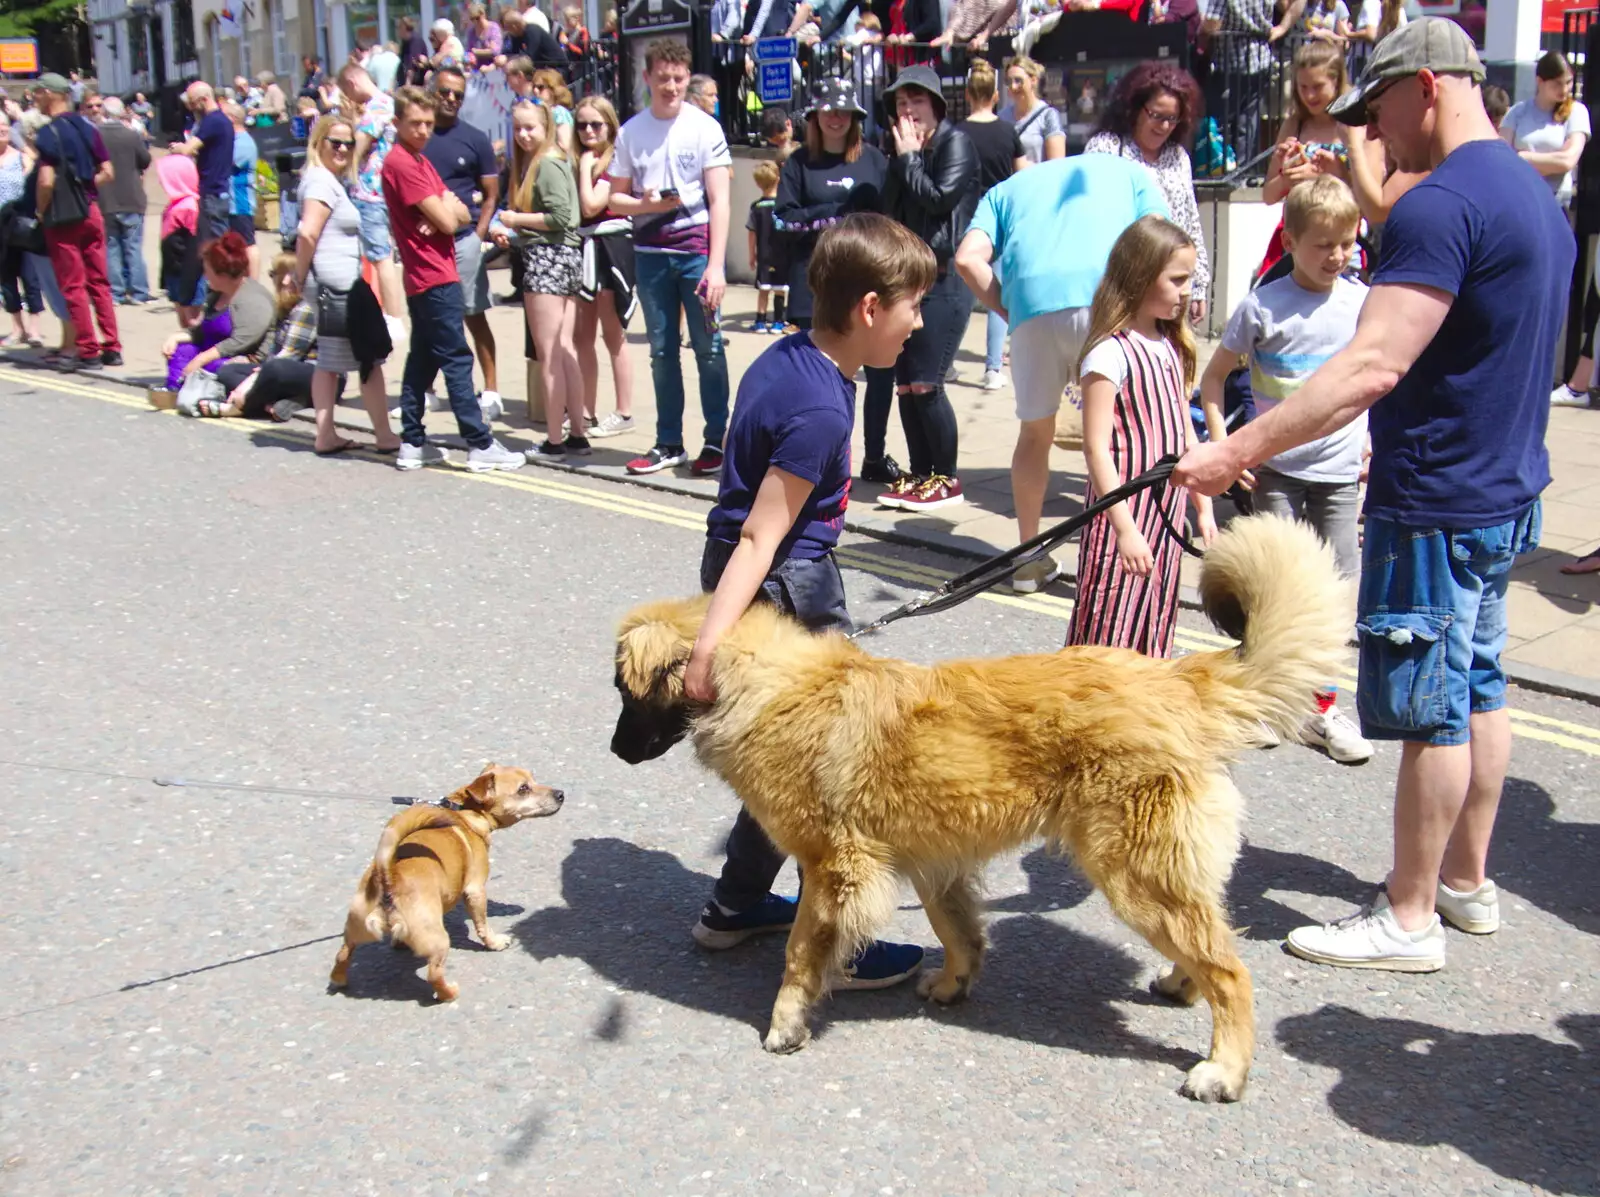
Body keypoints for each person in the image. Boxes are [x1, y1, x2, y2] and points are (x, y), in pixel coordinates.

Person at [1174, 20, 1570, 971]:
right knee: (1479, 685)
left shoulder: (1440, 207)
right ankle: (1465, 884)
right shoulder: (1531, 193)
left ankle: (1408, 913)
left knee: (1430, 707)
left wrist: (1238, 452)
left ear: (1425, 86)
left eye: (1380, 107)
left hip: (1437, 495)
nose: (1373, 132)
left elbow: (1368, 367)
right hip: (1507, 485)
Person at [685, 212, 936, 994]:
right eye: (913, 306)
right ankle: (847, 945)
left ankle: (734, 905)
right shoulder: (825, 409)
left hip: (745, 569)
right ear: (869, 309)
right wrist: (705, 648)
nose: (919, 323)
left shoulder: (791, 355)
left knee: (779, 765)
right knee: (839, 770)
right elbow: (765, 536)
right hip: (785, 582)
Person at [1198, 176, 1373, 763]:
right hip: (1276, 470)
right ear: (1290, 241)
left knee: (1339, 596)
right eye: (1323, 244)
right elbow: (1213, 380)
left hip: (1340, 473)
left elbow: (1377, 381)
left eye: (1346, 242)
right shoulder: (1262, 306)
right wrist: (1229, 448)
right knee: (1271, 592)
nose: (1337, 255)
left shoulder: (1361, 303)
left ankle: (1322, 708)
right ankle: (1266, 701)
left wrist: (1372, 439)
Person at [956, 154, 1167, 591]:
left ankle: (1028, 561)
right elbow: (1160, 245)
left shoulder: (1005, 190)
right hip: (1107, 297)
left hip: (1032, 302)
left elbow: (967, 260)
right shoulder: (1129, 172)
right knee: (1118, 435)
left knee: (1035, 435)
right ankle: (1121, 553)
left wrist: (1010, 307)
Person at [1066, 215, 1214, 655]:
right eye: (1178, 279)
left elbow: (1185, 432)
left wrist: (1204, 508)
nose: (1187, 291)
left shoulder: (1170, 345)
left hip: (1166, 514)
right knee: (1109, 625)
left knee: (1154, 618)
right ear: (1141, 276)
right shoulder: (1109, 352)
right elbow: (1096, 448)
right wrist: (1124, 530)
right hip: (1124, 516)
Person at [382, 86, 527, 472]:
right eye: (415, 123)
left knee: (423, 360)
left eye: (428, 123)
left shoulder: (417, 159)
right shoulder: (404, 164)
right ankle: (479, 443)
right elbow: (451, 217)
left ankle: (412, 441)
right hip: (432, 274)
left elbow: (462, 208)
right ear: (397, 123)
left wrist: (451, 212)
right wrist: (447, 213)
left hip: (428, 274)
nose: (424, 130)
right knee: (457, 359)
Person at [608, 38, 732, 477]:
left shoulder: (704, 128)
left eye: (678, 78)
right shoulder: (631, 131)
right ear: (647, 78)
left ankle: (717, 439)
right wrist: (648, 205)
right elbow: (614, 199)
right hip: (650, 256)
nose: (671, 86)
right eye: (662, 78)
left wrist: (717, 266)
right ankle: (668, 441)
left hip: (696, 256)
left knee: (709, 349)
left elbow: (721, 200)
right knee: (661, 352)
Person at [773, 77, 897, 484]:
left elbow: (890, 219)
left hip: (870, 281)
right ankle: (821, 458)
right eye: (828, 110)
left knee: (879, 371)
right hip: (817, 285)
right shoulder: (798, 164)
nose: (836, 118)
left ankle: (874, 456)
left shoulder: (874, 160)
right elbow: (783, 219)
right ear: (814, 116)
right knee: (822, 374)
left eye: (844, 111)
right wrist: (839, 212)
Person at [878, 64, 978, 513]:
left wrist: (908, 160)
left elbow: (938, 199)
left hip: (946, 278)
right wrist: (901, 160)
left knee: (927, 383)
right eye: (901, 103)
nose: (908, 110)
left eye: (916, 101)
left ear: (936, 106)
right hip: (910, 276)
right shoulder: (903, 150)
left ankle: (946, 479)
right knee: (905, 384)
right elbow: (892, 211)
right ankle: (922, 476)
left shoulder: (955, 143)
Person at [292, 115, 403, 455]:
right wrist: (299, 275)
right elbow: (307, 232)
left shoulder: (326, 180)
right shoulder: (321, 183)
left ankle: (326, 434)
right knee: (369, 358)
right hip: (335, 287)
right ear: (318, 143)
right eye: (334, 142)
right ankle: (383, 435)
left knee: (329, 363)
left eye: (348, 143)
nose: (342, 149)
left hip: (335, 284)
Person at [1084, 60, 1210, 324]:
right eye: (1156, 115)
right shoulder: (1107, 147)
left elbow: (1190, 220)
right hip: (1122, 281)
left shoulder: (1178, 156)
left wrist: (1197, 283)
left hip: (1170, 283)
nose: (1164, 126)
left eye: (1171, 119)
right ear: (1135, 109)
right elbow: (1092, 215)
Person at [1502, 53, 1594, 409]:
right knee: (1519, 291)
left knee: (1551, 292)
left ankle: (1541, 374)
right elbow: (1500, 153)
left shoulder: (1576, 113)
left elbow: (1568, 160)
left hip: (1556, 208)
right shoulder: (1518, 113)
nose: (1566, 90)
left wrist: (1524, 158)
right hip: (1521, 207)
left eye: (1569, 83)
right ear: (1540, 81)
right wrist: (1531, 160)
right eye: (1559, 84)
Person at [500, 101, 585, 457]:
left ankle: (554, 439)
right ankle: (577, 434)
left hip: (547, 260)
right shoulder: (554, 159)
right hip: (564, 258)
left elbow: (561, 217)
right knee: (564, 351)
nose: (523, 135)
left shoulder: (547, 163)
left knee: (550, 354)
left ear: (545, 126)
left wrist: (515, 220)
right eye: (518, 129)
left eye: (530, 128)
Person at [422, 66, 504, 421]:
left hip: (463, 239)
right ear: (431, 92)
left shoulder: (475, 139)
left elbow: (491, 194)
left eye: (458, 94)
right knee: (429, 317)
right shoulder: (417, 137)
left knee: (473, 314)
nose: (452, 99)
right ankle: (426, 389)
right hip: (425, 246)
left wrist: (478, 235)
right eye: (445, 92)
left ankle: (491, 390)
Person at [31, 72, 121, 371]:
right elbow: (108, 171)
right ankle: (112, 346)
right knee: (100, 281)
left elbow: (45, 181)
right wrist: (84, 188)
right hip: (91, 209)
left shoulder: (47, 134)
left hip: (63, 216)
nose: (35, 99)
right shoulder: (87, 127)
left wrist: (42, 211)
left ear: (51, 94)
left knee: (73, 285)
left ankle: (88, 350)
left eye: (38, 93)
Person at [956, 59, 1025, 392]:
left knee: (960, 292)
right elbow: (1022, 177)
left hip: (966, 214)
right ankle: (993, 368)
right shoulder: (1008, 131)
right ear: (995, 95)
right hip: (1000, 215)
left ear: (968, 94)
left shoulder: (956, 132)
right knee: (996, 289)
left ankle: (945, 362)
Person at [573, 95, 636, 439]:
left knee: (613, 334)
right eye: (581, 124)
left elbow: (592, 203)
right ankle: (586, 411)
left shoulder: (615, 162)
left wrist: (584, 169)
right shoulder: (579, 157)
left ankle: (625, 411)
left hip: (611, 246)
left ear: (610, 126)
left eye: (595, 124)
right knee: (583, 335)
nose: (588, 131)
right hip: (585, 247)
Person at [165, 231, 276, 400]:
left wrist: (201, 359)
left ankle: (199, 394)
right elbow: (202, 331)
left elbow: (240, 342)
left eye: (207, 271)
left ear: (223, 275)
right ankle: (176, 392)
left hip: (242, 361)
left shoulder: (254, 300)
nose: (205, 275)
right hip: (212, 353)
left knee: (219, 369)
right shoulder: (217, 294)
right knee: (180, 351)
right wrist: (177, 337)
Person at [209, 254, 321, 419]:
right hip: (284, 372)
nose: (273, 280)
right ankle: (290, 401)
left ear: (286, 278)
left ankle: (241, 406)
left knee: (274, 370)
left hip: (318, 375)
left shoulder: (306, 308)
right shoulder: (286, 307)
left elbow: (289, 355)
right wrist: (251, 362)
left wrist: (251, 382)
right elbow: (273, 351)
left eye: (273, 274)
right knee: (228, 371)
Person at [340, 64, 407, 324]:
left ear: (353, 83)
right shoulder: (387, 104)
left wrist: (346, 171)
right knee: (382, 255)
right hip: (382, 191)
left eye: (347, 91)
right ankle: (389, 314)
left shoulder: (376, 107)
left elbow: (358, 145)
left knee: (381, 258)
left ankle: (392, 316)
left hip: (370, 191)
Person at [94, 96, 152, 306]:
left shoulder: (95, 135)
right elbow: (145, 160)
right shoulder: (131, 135)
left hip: (106, 198)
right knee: (133, 246)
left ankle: (116, 293)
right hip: (131, 196)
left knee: (111, 247)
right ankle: (138, 292)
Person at [0, 108, 44, 346]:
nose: (2, 131)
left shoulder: (22, 157)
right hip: (0, 227)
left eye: (5, 127)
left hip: (22, 223)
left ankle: (35, 329)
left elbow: (35, 180)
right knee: (7, 278)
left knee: (30, 277)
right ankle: (17, 328)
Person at [178, 82, 234, 246]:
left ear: (204, 99)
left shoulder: (212, 121)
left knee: (216, 244)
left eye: (193, 103)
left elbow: (188, 149)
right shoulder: (220, 119)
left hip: (213, 189)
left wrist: (178, 148)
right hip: (218, 187)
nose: (191, 108)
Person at [157, 154, 203, 325]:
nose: (161, 182)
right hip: (174, 273)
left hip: (188, 275)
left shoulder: (190, 207)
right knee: (183, 321)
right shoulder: (174, 205)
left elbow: (194, 248)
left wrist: (188, 283)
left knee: (193, 321)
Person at [746, 161, 789, 333]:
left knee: (764, 289)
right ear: (778, 179)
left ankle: (760, 321)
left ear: (757, 183)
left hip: (763, 254)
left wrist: (752, 254)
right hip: (783, 253)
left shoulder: (756, 207)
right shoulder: (784, 206)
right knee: (780, 289)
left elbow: (751, 232)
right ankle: (778, 321)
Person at [999, 56, 1064, 163]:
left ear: (1033, 80)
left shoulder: (1048, 116)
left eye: (1018, 80)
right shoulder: (1002, 117)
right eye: (1009, 81)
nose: (1013, 86)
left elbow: (1057, 165)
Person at [222, 101, 260, 278]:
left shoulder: (244, 142)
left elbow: (223, 163)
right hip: (230, 202)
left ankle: (253, 282)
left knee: (248, 244)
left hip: (240, 202)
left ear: (232, 118)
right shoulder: (232, 140)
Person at [532, 69, 576, 156]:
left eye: (540, 87)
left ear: (553, 89)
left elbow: (565, 145)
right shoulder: (541, 111)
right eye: (534, 87)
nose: (535, 91)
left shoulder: (559, 112)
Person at [465, 3, 505, 69]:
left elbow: (495, 51)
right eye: (472, 19)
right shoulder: (471, 32)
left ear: (483, 14)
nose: (475, 22)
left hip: (492, 67)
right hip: (476, 68)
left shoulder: (493, 28)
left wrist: (476, 51)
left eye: (477, 18)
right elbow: (469, 52)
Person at [399, 18, 432, 86]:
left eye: (398, 28)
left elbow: (412, 65)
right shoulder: (405, 42)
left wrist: (408, 85)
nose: (397, 31)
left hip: (416, 84)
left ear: (404, 28)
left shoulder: (415, 41)